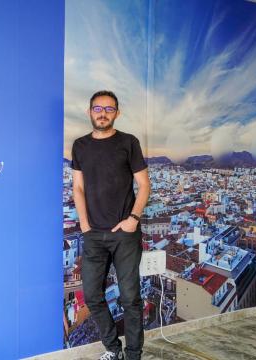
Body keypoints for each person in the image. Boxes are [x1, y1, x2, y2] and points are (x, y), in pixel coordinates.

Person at [71, 90, 151, 360]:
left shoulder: (129, 142)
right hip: (93, 234)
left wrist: (133, 220)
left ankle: (133, 355)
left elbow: (144, 185)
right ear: (89, 111)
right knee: (92, 294)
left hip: (125, 235)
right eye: (97, 108)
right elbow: (78, 188)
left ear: (117, 112)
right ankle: (113, 350)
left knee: (130, 298)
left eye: (108, 108)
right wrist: (84, 224)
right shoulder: (80, 146)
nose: (102, 113)